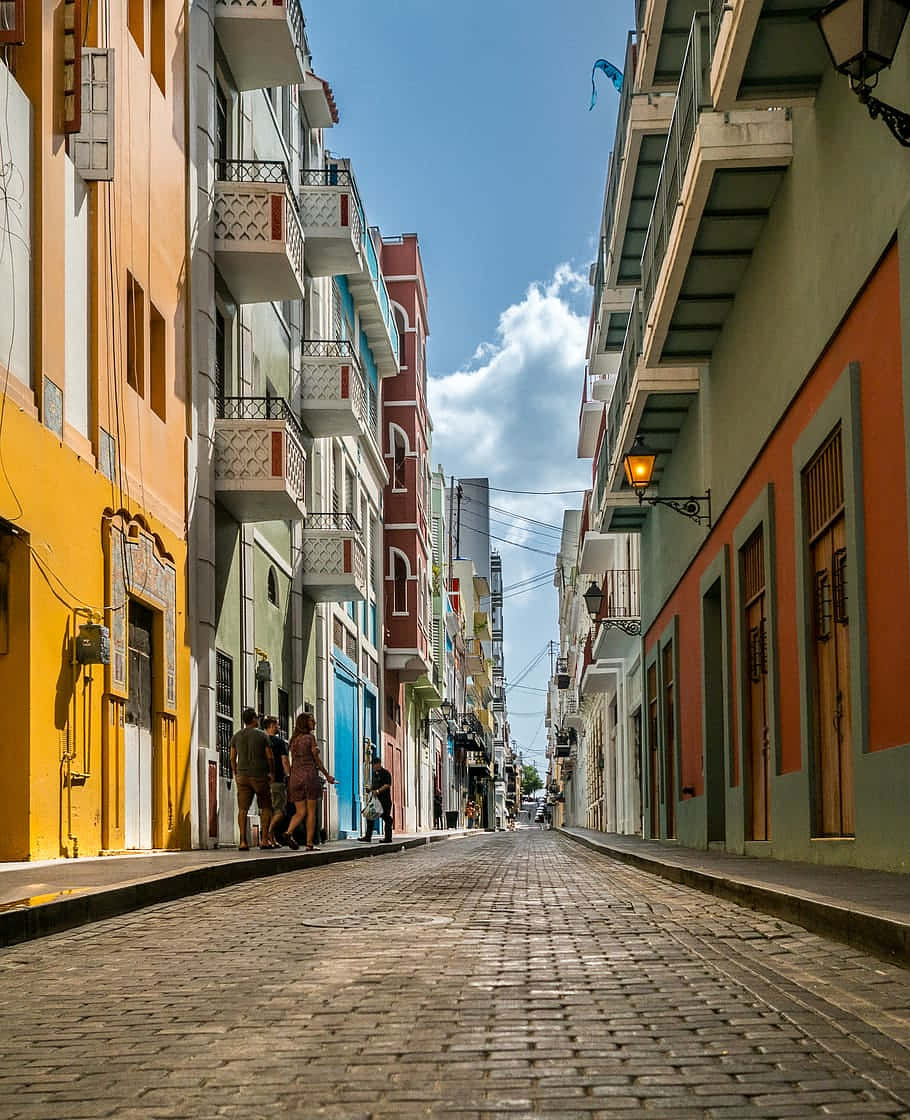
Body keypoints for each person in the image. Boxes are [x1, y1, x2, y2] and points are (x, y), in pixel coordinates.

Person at [281, 712, 335, 851]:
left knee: (300, 812)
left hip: (295, 777)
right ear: (305, 723)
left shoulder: (293, 740)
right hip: (309, 776)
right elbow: (317, 760)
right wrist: (327, 775)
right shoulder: (310, 738)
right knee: (311, 812)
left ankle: (288, 832)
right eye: (312, 721)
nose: (314, 723)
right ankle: (310, 843)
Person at [229, 708, 274, 851]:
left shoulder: (236, 736)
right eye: (257, 717)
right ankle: (264, 840)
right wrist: (271, 772)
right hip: (259, 776)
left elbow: (232, 757)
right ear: (254, 719)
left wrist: (236, 773)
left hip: (242, 776)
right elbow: (270, 756)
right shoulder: (262, 736)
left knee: (242, 809)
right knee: (265, 807)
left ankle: (243, 841)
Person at [264, 717, 290, 846]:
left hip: (263, 780)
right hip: (277, 779)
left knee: (268, 810)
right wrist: (289, 775)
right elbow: (284, 760)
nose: (279, 727)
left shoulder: (261, 741)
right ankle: (268, 833)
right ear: (272, 725)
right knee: (280, 810)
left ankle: (271, 839)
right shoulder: (279, 742)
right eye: (278, 725)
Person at [359, 756, 393, 844]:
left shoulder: (386, 773)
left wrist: (378, 791)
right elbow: (374, 786)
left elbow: (387, 785)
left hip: (385, 800)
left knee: (386, 818)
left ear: (378, 764)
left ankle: (388, 838)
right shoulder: (374, 774)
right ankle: (368, 837)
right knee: (370, 816)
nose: (373, 767)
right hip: (375, 800)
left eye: (374, 765)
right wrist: (370, 789)